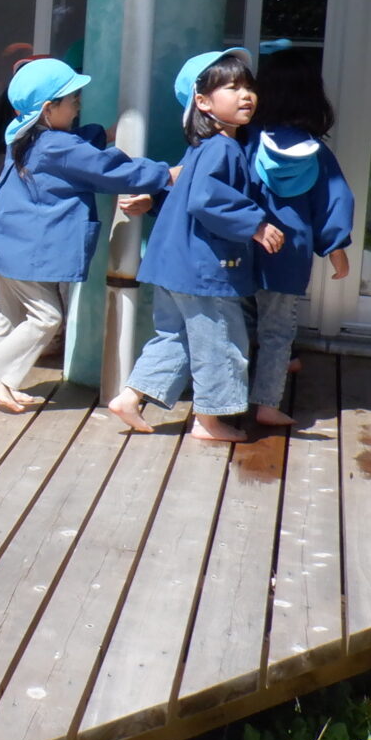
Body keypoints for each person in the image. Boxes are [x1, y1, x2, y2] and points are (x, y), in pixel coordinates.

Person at [107, 49, 283, 444]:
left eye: (248, 87)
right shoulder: (224, 148)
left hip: (172, 267)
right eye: (232, 88)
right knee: (221, 343)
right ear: (202, 102)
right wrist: (255, 225)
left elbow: (188, 196)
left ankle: (130, 397)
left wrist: (153, 201)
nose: (246, 95)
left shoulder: (202, 149)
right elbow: (206, 200)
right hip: (206, 270)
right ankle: (209, 419)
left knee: (175, 337)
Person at [0, 59, 168, 412]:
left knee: (11, 313)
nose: (78, 105)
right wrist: (167, 174)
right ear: (49, 109)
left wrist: (103, 133)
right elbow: (106, 169)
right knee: (47, 317)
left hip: (5, 243)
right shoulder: (57, 147)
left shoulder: (22, 132)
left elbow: (74, 146)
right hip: (26, 250)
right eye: (73, 100)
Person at [245, 48, 355, 428]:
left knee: (239, 321)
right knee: (277, 329)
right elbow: (334, 200)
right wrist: (336, 248)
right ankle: (267, 403)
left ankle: (230, 394)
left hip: (243, 248)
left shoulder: (246, 142)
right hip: (287, 256)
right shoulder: (315, 153)